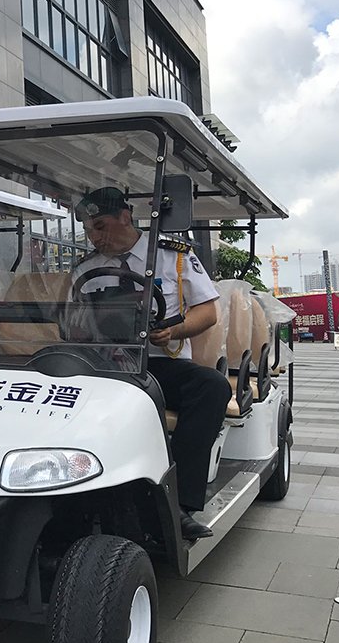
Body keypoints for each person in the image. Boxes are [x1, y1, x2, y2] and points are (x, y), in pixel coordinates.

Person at [71, 187, 227, 541]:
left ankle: (179, 504)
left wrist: (174, 330)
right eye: (89, 230)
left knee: (212, 387)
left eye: (100, 226)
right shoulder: (85, 268)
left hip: (159, 363)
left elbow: (207, 311)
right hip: (106, 367)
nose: (95, 237)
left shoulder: (173, 256)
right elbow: (72, 319)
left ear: (125, 217)